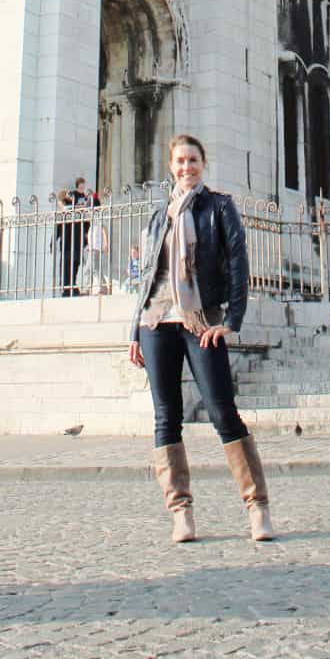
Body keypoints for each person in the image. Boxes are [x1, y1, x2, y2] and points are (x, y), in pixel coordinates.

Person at [129, 133, 274, 544]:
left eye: (192, 160)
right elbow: (147, 279)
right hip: (156, 321)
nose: (185, 167)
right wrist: (133, 331)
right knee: (165, 416)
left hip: (202, 322)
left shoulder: (220, 207)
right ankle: (181, 512)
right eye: (179, 161)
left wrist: (233, 320)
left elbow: (237, 265)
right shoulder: (160, 216)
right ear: (170, 166)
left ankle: (257, 505)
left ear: (203, 163)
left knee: (222, 411)